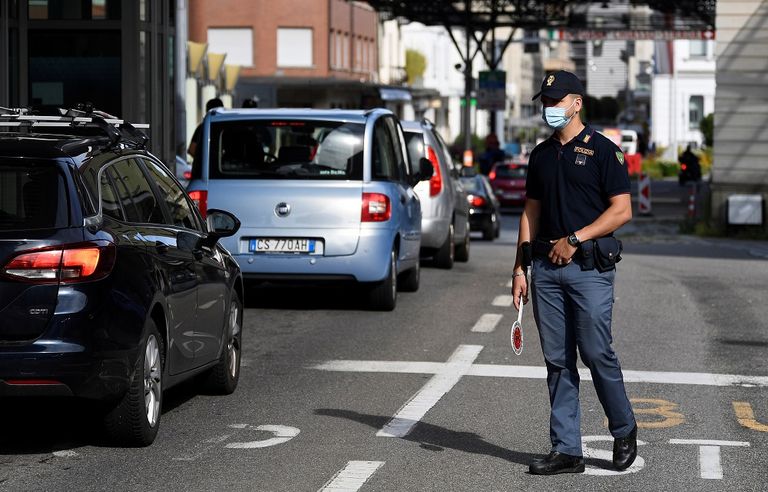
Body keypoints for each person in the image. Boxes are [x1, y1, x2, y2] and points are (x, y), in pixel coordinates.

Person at [511, 70, 637, 475]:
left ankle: (624, 428)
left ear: (577, 103)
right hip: (546, 271)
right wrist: (520, 268)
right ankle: (567, 449)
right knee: (558, 360)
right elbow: (530, 212)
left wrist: (575, 238)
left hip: (589, 269)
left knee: (597, 353)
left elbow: (622, 210)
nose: (549, 107)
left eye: (557, 100)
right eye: (545, 101)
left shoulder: (604, 151)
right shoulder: (541, 155)